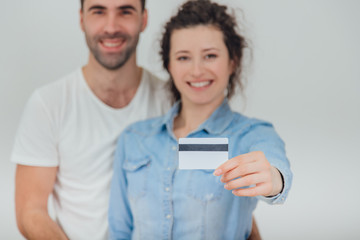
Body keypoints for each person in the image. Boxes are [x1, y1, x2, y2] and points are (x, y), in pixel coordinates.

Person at [11, 0, 261, 239]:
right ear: (81, 19)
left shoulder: (176, 104)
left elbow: (220, 191)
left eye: (125, 11)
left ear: (144, 19)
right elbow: (30, 211)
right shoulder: (49, 104)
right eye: (98, 11)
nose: (111, 26)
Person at [108, 0, 292, 239]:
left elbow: (275, 167)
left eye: (210, 56)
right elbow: (119, 230)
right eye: (183, 57)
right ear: (169, 65)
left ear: (232, 61)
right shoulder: (134, 138)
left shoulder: (251, 134)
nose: (197, 70)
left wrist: (273, 177)